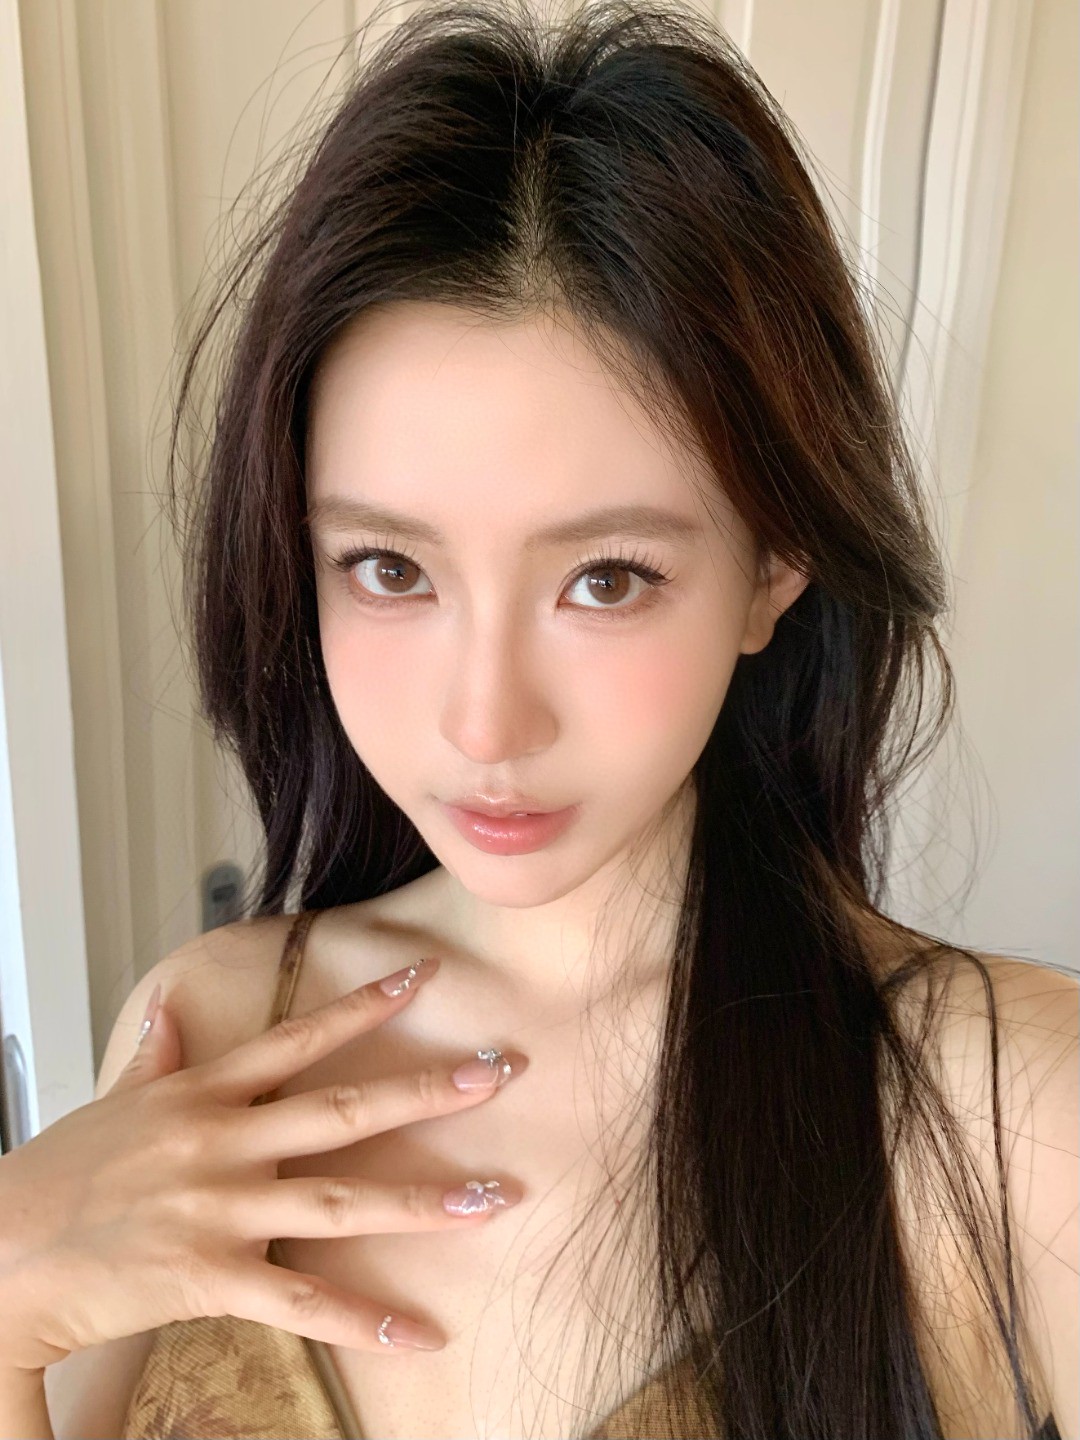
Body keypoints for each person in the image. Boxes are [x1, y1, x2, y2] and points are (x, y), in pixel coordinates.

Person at [1, 0, 1076, 1436]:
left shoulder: (1010, 1113)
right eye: (389, 569)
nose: (484, 721)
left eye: (606, 579)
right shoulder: (203, 1027)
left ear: (774, 567)